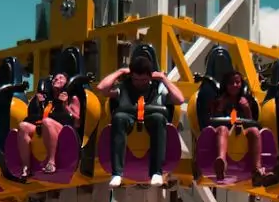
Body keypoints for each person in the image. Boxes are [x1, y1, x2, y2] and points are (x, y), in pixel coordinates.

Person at [97, 56, 185, 187]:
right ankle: (117, 173)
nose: (139, 83)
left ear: (150, 77)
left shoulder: (158, 88)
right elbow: (101, 88)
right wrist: (120, 72)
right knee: (118, 118)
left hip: (151, 119)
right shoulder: (124, 87)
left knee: (159, 118)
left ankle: (156, 172)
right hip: (128, 119)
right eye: (135, 79)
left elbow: (180, 99)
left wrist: (163, 78)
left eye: (143, 79)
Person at [207, 70, 271, 185]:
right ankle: (221, 161)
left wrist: (246, 108)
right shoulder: (218, 101)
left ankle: (257, 168)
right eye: (231, 83)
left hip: (241, 135)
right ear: (226, 85)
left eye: (237, 82)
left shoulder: (247, 101)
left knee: (255, 131)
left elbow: (252, 122)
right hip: (225, 133)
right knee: (222, 129)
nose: (235, 85)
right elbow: (213, 122)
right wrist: (220, 107)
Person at [15, 72, 82, 177]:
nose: (56, 79)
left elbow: (77, 121)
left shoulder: (72, 98)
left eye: (61, 78)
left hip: (64, 131)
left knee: (47, 122)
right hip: (44, 128)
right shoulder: (47, 100)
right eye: (55, 78)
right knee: (23, 126)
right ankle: (26, 167)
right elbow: (33, 117)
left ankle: (51, 162)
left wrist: (65, 106)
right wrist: (37, 103)